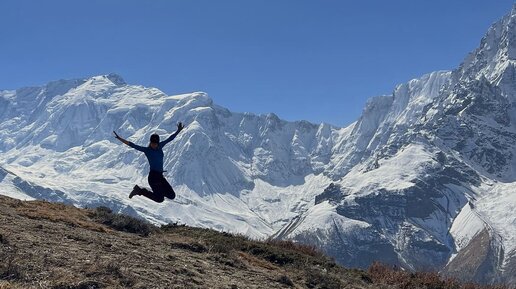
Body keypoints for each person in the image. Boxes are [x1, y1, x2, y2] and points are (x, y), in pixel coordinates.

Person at [113, 122, 184, 203]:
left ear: (157, 143)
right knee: (160, 199)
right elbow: (132, 145)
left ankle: (158, 192)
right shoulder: (147, 150)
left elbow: (170, 138)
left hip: (160, 177)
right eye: (152, 143)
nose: (154, 145)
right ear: (150, 142)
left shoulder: (160, 146)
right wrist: (119, 138)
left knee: (172, 195)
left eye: (155, 144)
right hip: (153, 177)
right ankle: (139, 191)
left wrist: (178, 131)